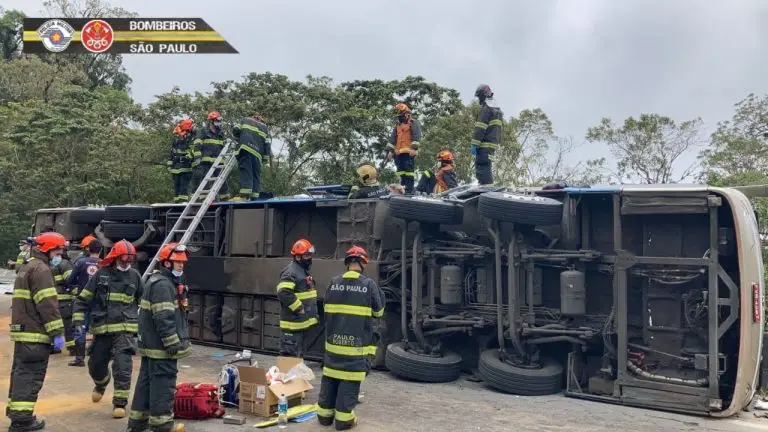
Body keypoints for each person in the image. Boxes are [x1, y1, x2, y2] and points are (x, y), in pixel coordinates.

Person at [72, 239, 143, 419]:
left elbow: (144, 302)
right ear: (115, 257)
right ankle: (101, 383)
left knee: (123, 366)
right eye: (124, 259)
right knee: (95, 364)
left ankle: (119, 403)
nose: (127, 263)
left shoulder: (135, 276)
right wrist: (78, 321)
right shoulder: (101, 275)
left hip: (125, 331)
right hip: (102, 330)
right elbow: (82, 300)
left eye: (130, 260)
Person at [316, 246, 384, 430]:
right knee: (349, 381)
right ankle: (344, 420)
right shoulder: (368, 285)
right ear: (363, 263)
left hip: (332, 348)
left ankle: (324, 416)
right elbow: (378, 312)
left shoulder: (333, 282)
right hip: (354, 349)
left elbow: (326, 310)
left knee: (329, 378)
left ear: (347, 263)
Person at [6, 232, 67, 432]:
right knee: (30, 376)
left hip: (23, 332)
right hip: (35, 333)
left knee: (21, 374)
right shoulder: (41, 270)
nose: (60, 254)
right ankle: (22, 421)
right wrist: (57, 332)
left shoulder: (27, 267)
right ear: (48, 249)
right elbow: (48, 305)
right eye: (58, 250)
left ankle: (18, 415)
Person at [126, 243, 190, 432]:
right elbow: (164, 317)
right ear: (167, 263)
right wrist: (172, 342)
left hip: (152, 345)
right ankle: (162, 425)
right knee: (163, 384)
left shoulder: (159, 281)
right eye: (177, 262)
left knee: (146, 384)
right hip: (161, 348)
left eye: (182, 263)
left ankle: (138, 423)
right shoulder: (163, 285)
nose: (181, 266)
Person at [276, 239, 319, 358]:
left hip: (299, 324)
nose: (309, 258)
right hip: (292, 325)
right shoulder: (291, 272)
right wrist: (299, 307)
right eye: (306, 255)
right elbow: (283, 292)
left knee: (296, 359)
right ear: (298, 257)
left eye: (310, 255)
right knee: (289, 360)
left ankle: (296, 377)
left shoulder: (302, 271)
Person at [65, 237, 102, 367]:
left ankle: (79, 358)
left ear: (88, 249)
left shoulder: (80, 263)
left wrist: (77, 285)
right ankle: (97, 355)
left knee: (80, 327)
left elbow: (70, 280)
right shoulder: (104, 264)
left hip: (82, 300)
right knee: (99, 328)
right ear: (100, 250)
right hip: (98, 302)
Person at [191, 111, 231, 201]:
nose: (219, 123)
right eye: (217, 120)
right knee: (205, 180)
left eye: (219, 121)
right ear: (211, 121)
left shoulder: (220, 133)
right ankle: (204, 199)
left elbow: (223, 145)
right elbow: (197, 144)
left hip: (218, 161)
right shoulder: (203, 131)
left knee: (222, 179)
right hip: (206, 161)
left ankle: (225, 197)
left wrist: (227, 143)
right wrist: (197, 157)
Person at [232, 114, 272, 201]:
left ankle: (244, 196)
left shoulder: (245, 119)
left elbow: (236, 129)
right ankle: (254, 197)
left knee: (246, 171)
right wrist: (265, 159)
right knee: (255, 175)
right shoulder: (265, 129)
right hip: (257, 155)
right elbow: (267, 145)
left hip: (246, 149)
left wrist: (238, 138)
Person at [385, 103, 422, 194]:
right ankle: (403, 188)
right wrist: (390, 151)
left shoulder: (413, 123)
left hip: (408, 153)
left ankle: (409, 190)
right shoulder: (397, 125)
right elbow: (393, 138)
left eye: (401, 115)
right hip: (398, 153)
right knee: (401, 172)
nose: (400, 117)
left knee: (409, 172)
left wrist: (414, 148)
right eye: (398, 115)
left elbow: (416, 136)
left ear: (407, 114)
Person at [471, 84, 503, 185]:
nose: (478, 99)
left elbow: (480, 128)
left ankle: (487, 193)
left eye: (479, 96)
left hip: (484, 147)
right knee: (486, 171)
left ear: (483, 96)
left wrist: (474, 144)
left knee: (482, 172)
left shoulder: (487, 109)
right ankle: (488, 192)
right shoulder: (497, 110)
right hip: (491, 147)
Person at [167, 118, 196, 203]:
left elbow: (195, 150)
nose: (179, 136)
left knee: (184, 187)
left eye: (180, 134)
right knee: (177, 187)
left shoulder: (191, 140)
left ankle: (183, 203)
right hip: (175, 169)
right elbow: (171, 154)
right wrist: (169, 165)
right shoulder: (176, 141)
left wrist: (189, 156)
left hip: (186, 168)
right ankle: (177, 203)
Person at [51, 251, 74, 355]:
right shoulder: (61, 264)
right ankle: (70, 348)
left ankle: (58, 347)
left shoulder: (59, 264)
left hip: (58, 300)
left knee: (59, 325)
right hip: (61, 300)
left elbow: (70, 281)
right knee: (64, 325)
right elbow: (70, 280)